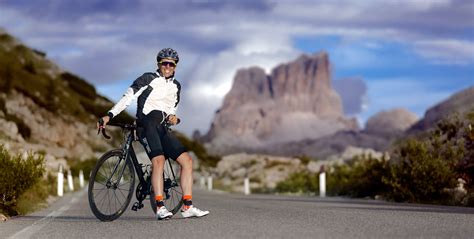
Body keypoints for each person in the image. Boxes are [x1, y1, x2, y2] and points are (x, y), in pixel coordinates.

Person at [97, 48, 209, 220]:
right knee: (159, 160)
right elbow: (128, 97)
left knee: (187, 161)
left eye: (171, 64)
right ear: (159, 64)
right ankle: (160, 206)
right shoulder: (148, 79)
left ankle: (187, 206)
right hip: (146, 125)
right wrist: (109, 115)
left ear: (175, 67)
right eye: (164, 63)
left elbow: (172, 109)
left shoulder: (176, 86)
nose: (168, 67)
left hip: (162, 128)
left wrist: (173, 117)